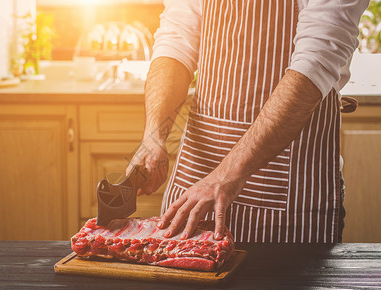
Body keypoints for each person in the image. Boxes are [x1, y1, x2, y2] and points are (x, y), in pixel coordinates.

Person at [127, 0, 369, 243]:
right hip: (198, 175)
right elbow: (177, 39)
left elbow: (316, 61)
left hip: (288, 192)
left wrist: (228, 174)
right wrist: (155, 136)